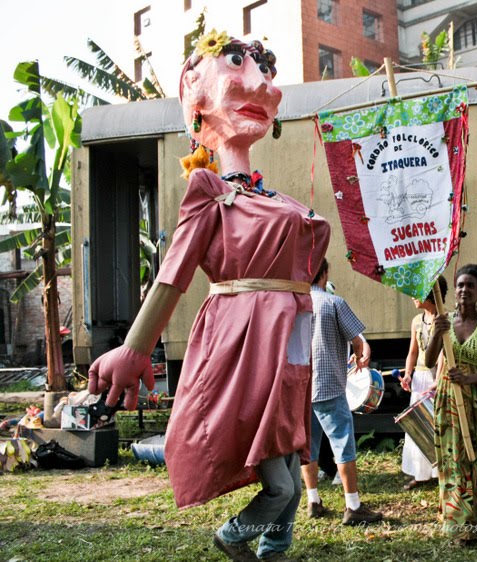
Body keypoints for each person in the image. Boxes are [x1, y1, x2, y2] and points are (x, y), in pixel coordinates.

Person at [88, 31, 330, 562]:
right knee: (283, 484)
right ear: (195, 101)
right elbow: (173, 275)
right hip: (244, 346)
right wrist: (134, 348)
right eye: (239, 63)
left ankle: (273, 551)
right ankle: (233, 537)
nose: (261, 84)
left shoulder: (274, 197)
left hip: (289, 348)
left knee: (292, 463)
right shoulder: (209, 193)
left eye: (266, 67)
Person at [425, 264, 477, 545]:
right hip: (449, 401)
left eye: (470, 285)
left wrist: (469, 379)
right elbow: (428, 361)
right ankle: (459, 522)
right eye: (460, 285)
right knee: (454, 458)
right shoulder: (445, 322)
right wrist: (437, 332)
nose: (463, 290)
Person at [300, 258, 383, 525]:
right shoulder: (334, 303)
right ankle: (353, 506)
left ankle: (313, 500)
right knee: (343, 446)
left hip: (301, 391)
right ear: (325, 274)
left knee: (308, 449)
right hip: (329, 386)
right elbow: (358, 343)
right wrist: (362, 355)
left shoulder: (294, 305)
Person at [399, 276, 447, 490]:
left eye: (416, 292)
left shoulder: (446, 319)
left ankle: (442, 471)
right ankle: (421, 473)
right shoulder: (417, 321)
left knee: (441, 424)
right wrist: (408, 374)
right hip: (420, 377)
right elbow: (412, 351)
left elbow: (446, 353)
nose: (412, 297)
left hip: (440, 376)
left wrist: (439, 380)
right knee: (418, 424)